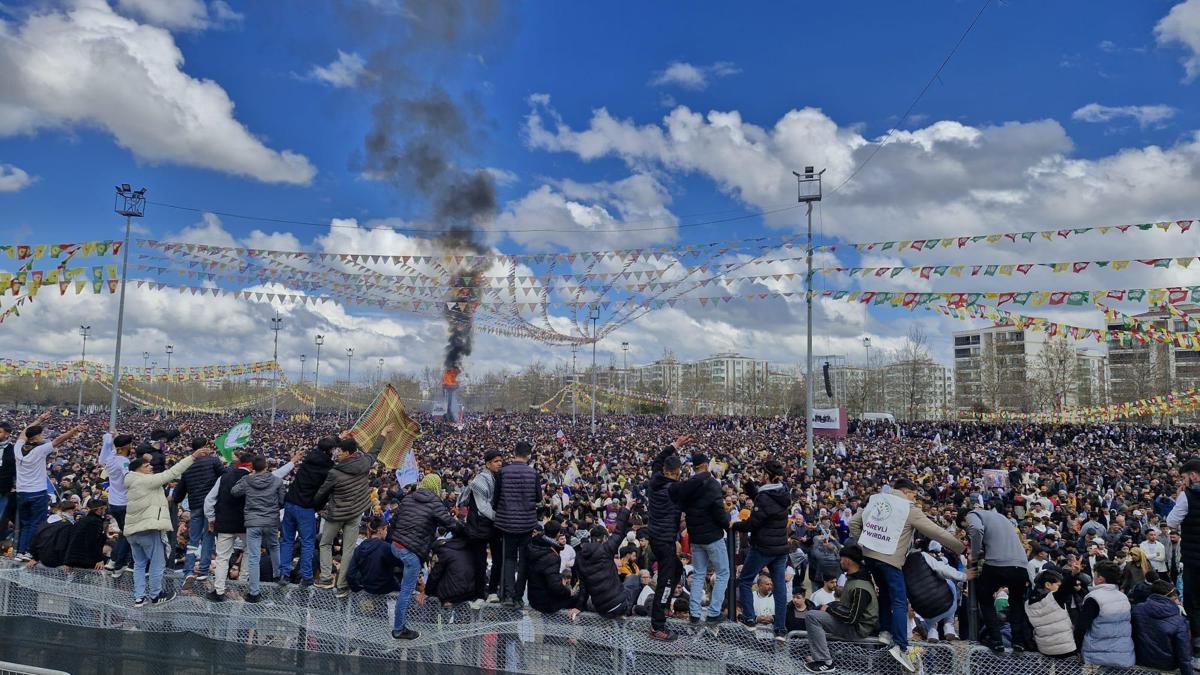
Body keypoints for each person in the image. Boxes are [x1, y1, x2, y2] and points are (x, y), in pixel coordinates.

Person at [850, 478, 962, 673]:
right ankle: (901, 646)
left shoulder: (876, 500)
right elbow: (935, 532)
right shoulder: (908, 508)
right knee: (900, 601)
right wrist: (960, 547)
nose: (915, 498)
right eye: (913, 494)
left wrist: (864, 544)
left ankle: (885, 631)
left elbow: (853, 522)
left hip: (870, 557)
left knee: (884, 593)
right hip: (891, 560)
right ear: (906, 492)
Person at [125, 443, 209, 607]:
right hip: (148, 529)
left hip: (133, 531)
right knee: (157, 563)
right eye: (146, 465)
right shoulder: (145, 481)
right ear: (138, 470)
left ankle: (139, 597)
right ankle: (156, 595)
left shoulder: (131, 481)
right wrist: (192, 457)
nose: (150, 467)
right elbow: (172, 473)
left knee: (140, 565)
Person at [314, 429, 387, 595]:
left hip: (336, 514)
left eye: (339, 451)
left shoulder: (335, 472)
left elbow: (322, 492)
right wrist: (382, 434)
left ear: (347, 453)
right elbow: (374, 451)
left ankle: (326, 577)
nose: (337, 453)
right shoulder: (364, 463)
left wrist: (314, 505)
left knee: (325, 543)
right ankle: (342, 585)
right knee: (348, 549)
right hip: (355, 513)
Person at [389, 471, 459, 640]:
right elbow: (449, 523)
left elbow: (394, 520)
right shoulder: (435, 503)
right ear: (437, 486)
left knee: (405, 579)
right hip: (411, 552)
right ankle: (399, 629)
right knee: (406, 591)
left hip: (395, 546)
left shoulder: (408, 498)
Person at [966, 496, 1034, 653]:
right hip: (1021, 566)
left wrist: (974, 554)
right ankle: (1018, 641)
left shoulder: (973, 515)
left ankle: (996, 639)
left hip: (998, 564)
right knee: (1017, 602)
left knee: (985, 597)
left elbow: (976, 529)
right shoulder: (1002, 518)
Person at [732, 459, 790, 639]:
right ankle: (780, 628)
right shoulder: (783, 491)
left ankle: (749, 618)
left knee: (745, 580)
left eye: (761, 473)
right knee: (780, 587)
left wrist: (736, 525)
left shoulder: (765, 497)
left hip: (763, 548)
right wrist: (749, 484)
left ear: (766, 475)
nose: (759, 475)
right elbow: (763, 500)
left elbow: (754, 523)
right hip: (780, 548)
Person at [13, 420, 84, 560]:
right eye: (41, 434)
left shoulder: (17, 448)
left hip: (21, 492)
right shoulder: (40, 450)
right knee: (36, 523)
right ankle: (29, 551)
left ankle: (20, 552)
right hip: (37, 492)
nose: (43, 436)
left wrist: (40, 419)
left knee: (25, 523)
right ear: (36, 437)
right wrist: (73, 431)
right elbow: (58, 440)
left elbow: (23, 433)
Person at [802, 544, 879, 674]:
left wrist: (829, 609)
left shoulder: (860, 586)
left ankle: (825, 662)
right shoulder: (855, 577)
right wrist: (830, 606)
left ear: (847, 561)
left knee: (811, 616)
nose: (839, 561)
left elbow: (852, 618)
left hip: (857, 629)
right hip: (853, 624)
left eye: (841, 559)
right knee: (819, 609)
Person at [673, 451, 730, 623]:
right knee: (723, 573)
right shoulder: (712, 483)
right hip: (712, 535)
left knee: (698, 574)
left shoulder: (687, 484)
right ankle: (713, 612)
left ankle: (695, 613)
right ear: (705, 465)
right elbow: (718, 511)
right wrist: (727, 520)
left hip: (695, 536)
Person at [645, 436, 688, 640]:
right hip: (664, 540)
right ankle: (657, 626)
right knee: (668, 580)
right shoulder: (675, 490)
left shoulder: (655, 480)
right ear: (677, 473)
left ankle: (662, 609)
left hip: (657, 536)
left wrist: (675, 446)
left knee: (677, 569)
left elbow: (657, 460)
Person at [231, 455, 290, 603]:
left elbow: (234, 491)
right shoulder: (277, 480)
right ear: (266, 466)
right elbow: (283, 500)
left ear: (252, 468)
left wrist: (245, 477)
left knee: (253, 556)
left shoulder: (248, 480)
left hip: (253, 522)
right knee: (274, 546)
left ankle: (254, 591)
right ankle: (278, 575)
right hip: (271, 521)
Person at [278, 437, 335, 586]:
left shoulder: (308, 459)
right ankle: (306, 576)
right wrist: (317, 507)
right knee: (308, 542)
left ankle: (284, 574)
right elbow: (324, 492)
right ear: (330, 451)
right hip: (306, 507)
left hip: (290, 503)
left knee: (287, 540)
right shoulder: (328, 469)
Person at [569, 494, 636, 620]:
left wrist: (579, 606)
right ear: (604, 538)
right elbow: (619, 531)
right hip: (620, 604)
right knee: (633, 581)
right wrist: (626, 508)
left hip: (601, 609)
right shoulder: (606, 549)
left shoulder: (579, 558)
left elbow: (584, 586)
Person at [492, 441, 539, 608]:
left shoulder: (503, 472)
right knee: (524, 560)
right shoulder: (533, 473)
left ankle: (508, 596)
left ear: (514, 452)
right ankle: (519, 596)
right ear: (528, 455)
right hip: (527, 524)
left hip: (507, 524)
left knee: (509, 559)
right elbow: (539, 498)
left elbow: (495, 500)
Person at [172, 438, 223, 590]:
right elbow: (225, 478)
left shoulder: (188, 466)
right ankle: (202, 571)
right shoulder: (213, 462)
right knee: (208, 537)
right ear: (205, 447)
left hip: (194, 506)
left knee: (193, 540)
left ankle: (188, 570)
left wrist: (174, 499)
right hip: (210, 506)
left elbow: (179, 493)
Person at [204, 452, 253, 602]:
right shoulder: (253, 479)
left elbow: (209, 500)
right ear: (251, 465)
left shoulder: (223, 477)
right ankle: (243, 586)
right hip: (246, 523)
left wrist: (211, 518)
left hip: (224, 523)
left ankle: (219, 591)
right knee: (249, 554)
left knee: (222, 558)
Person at [1167, 456, 1200, 660]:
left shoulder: (1187, 496)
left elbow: (1171, 522)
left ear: (1193, 475)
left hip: (1194, 560)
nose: (1183, 481)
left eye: (1184, 477)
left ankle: (1197, 649)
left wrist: (1180, 496)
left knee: (1194, 601)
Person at [1075, 561, 1136, 668]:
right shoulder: (1123, 597)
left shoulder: (1093, 598)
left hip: (1097, 654)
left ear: (1100, 578)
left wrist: (1077, 649)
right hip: (1123, 653)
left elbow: (1081, 627)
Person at [1131, 579, 1194, 675]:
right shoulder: (1179, 620)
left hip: (1141, 661)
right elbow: (1184, 654)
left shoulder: (1137, 609)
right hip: (1167, 666)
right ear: (1172, 597)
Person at [464, 448, 502, 606]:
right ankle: (479, 594)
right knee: (480, 561)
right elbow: (483, 507)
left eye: (501, 461)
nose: (499, 464)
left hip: (491, 526)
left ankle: (493, 591)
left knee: (498, 558)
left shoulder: (495, 478)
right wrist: (498, 517)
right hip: (480, 526)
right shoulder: (480, 479)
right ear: (487, 464)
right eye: (496, 461)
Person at [99, 432, 135, 577]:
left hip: (113, 502)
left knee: (124, 532)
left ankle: (114, 562)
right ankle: (117, 562)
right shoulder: (123, 461)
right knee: (128, 533)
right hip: (124, 502)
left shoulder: (110, 458)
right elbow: (128, 478)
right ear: (127, 446)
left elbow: (107, 443)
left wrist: (111, 437)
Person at [1025, 568, 1076, 657]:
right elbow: (1065, 589)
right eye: (1058, 585)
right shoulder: (1054, 598)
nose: (1060, 588)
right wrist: (1073, 574)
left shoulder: (1027, 603)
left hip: (1044, 649)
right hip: (1066, 649)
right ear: (1048, 585)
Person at [526, 519, 574, 614]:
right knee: (576, 599)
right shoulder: (551, 555)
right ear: (557, 534)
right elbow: (555, 586)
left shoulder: (533, 545)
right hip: (545, 602)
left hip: (533, 597)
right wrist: (568, 592)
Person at [63, 497, 109, 570]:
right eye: (103, 508)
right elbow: (92, 542)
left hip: (75, 558)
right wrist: (99, 559)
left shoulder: (83, 520)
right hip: (87, 559)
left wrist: (68, 560)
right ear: (98, 509)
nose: (105, 510)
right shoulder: (95, 522)